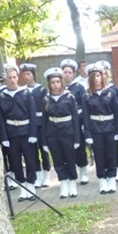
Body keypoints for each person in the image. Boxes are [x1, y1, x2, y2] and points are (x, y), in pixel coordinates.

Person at [0, 64, 38, 202]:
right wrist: (4, 137)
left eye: (14, 77)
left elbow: (32, 114)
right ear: (5, 79)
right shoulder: (2, 96)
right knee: (15, 162)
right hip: (12, 134)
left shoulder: (26, 94)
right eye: (9, 77)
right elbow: (1, 119)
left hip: (26, 132)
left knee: (30, 160)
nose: (12, 80)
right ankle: (22, 188)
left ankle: (31, 187)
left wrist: (33, 134)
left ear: (18, 77)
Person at [41, 67, 80, 199]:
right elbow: (44, 121)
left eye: (58, 81)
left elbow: (75, 119)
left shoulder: (69, 97)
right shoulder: (46, 99)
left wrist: (76, 139)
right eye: (53, 82)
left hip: (68, 133)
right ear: (49, 84)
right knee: (58, 160)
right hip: (53, 134)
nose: (55, 85)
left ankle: (72, 183)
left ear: (61, 82)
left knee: (70, 159)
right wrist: (44, 141)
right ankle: (63, 183)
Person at [82, 63, 118, 194]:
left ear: (102, 77)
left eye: (98, 75)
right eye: (93, 77)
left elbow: (117, 113)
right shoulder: (87, 95)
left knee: (111, 154)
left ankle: (111, 178)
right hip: (96, 130)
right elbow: (86, 117)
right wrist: (88, 134)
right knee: (99, 156)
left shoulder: (110, 93)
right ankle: (102, 180)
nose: (96, 79)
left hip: (110, 128)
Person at [19, 62, 50, 187]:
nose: (26, 77)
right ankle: (37, 175)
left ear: (33, 75)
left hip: (41, 123)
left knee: (43, 149)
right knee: (32, 151)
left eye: (28, 74)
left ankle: (46, 174)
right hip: (29, 125)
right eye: (24, 74)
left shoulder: (41, 89)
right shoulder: (22, 91)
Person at [61, 58, 90, 184]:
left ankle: (83, 171)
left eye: (69, 72)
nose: (67, 75)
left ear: (73, 74)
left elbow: (84, 105)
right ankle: (70, 172)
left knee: (80, 147)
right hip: (64, 123)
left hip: (78, 121)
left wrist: (83, 123)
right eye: (65, 72)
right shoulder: (58, 87)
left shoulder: (78, 87)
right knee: (66, 148)